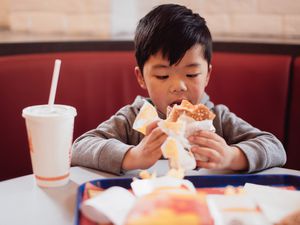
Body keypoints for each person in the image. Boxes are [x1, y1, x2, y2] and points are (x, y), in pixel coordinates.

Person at [71, 4, 286, 174]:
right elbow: (80, 147)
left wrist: (231, 156)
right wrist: (133, 156)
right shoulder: (133, 120)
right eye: (162, 75)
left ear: (208, 74)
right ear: (141, 78)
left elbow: (275, 147)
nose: (178, 86)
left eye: (191, 74)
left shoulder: (218, 118)